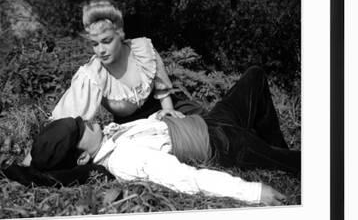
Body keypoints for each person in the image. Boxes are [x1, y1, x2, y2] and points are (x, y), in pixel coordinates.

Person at [18, 66, 300, 206]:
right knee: (298, 163)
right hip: (224, 143)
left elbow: (146, 131)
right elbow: (188, 180)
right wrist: (252, 192)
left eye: (78, 119)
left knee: (255, 76)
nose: (86, 121)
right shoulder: (126, 161)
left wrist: (159, 117)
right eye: (80, 129)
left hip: (210, 121)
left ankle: (273, 149)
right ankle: (279, 159)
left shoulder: (109, 136)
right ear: (82, 156)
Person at [51, 0, 199, 124]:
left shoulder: (143, 50)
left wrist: (169, 111)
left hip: (165, 108)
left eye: (107, 41)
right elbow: (66, 118)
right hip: (132, 127)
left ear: (120, 34)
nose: (101, 50)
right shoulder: (92, 74)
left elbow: (163, 91)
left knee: (201, 121)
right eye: (95, 44)